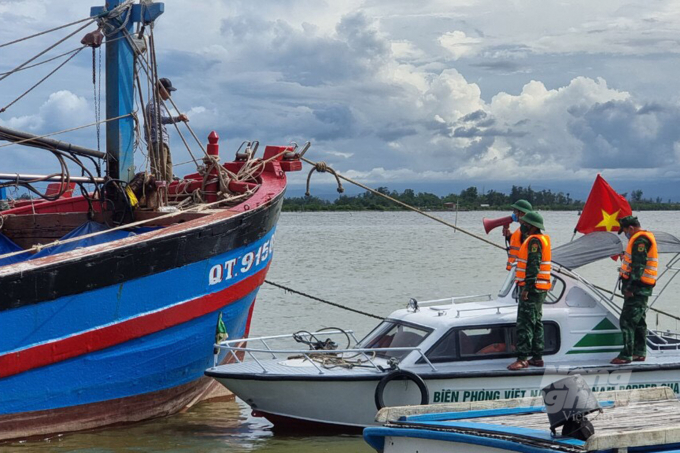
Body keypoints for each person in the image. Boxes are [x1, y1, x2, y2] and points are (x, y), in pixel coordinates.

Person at [507, 211, 551, 371]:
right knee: (536, 322)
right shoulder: (540, 239)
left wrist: (527, 288)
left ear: (532, 226)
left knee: (525, 323)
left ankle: (522, 358)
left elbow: (533, 266)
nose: (522, 225)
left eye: (525, 224)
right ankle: (537, 357)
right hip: (540, 288)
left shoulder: (534, 242)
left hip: (532, 288)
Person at [611, 215, 657, 364]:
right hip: (642, 287)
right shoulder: (643, 238)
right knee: (639, 321)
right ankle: (639, 352)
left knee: (627, 320)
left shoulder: (640, 240)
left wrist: (630, 287)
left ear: (631, 228)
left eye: (625, 231)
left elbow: (638, 266)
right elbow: (635, 262)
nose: (625, 234)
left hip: (638, 288)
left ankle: (626, 355)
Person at [145, 77, 189, 182]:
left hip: (163, 141)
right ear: (161, 90)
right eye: (168, 91)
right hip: (157, 141)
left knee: (168, 173)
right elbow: (161, 120)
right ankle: (160, 196)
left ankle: (167, 194)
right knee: (160, 173)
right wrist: (178, 118)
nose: (170, 95)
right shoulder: (153, 105)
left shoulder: (160, 105)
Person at [504, 200, 533, 271]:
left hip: (522, 271)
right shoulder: (521, 229)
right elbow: (519, 245)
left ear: (522, 213)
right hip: (517, 270)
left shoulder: (527, 230)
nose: (514, 214)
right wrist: (509, 237)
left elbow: (526, 249)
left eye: (515, 211)